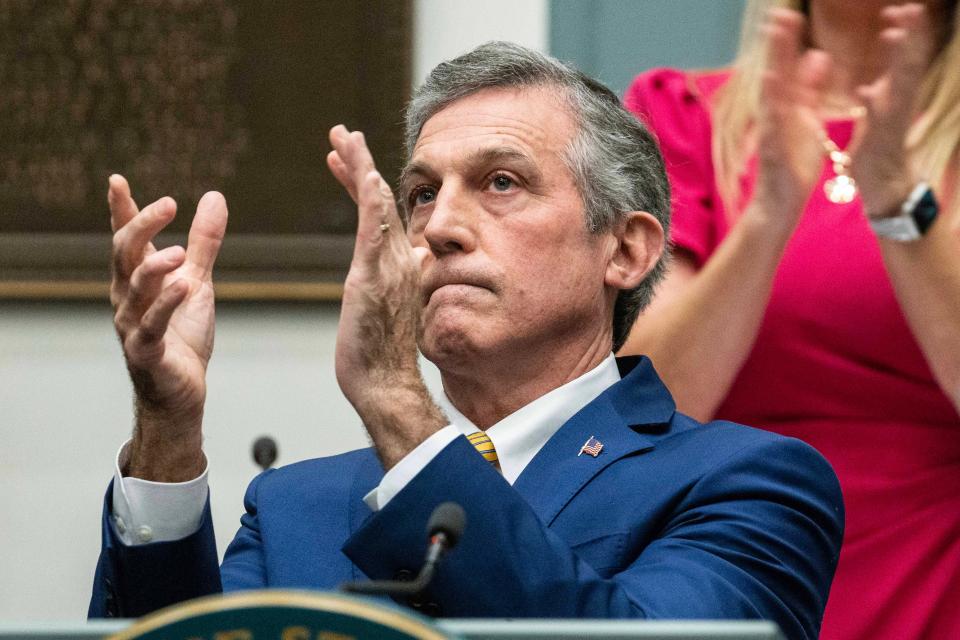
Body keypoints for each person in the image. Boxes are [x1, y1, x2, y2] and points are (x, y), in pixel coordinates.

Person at [88, 42, 843, 639]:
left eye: (502, 183)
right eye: (422, 194)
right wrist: (166, 428)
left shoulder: (749, 483)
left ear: (626, 251)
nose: (439, 227)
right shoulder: (295, 505)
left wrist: (391, 399)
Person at [622, 2, 960, 639]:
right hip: (729, 577)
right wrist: (769, 213)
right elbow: (645, 407)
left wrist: (897, 202)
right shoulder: (682, 111)